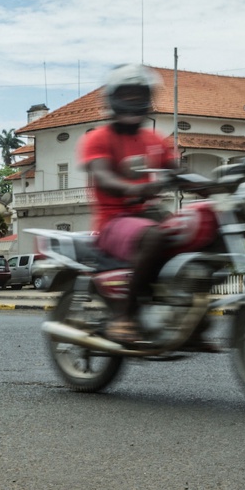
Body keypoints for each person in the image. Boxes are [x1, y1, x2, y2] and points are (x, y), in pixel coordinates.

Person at [79, 64, 179, 347]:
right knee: (155, 236)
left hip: (148, 215)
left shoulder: (154, 139)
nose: (134, 100)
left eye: (140, 94)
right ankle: (123, 317)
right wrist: (134, 188)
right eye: (128, 94)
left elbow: (177, 171)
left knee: (195, 231)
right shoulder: (98, 137)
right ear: (113, 97)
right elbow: (103, 176)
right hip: (113, 221)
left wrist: (219, 182)